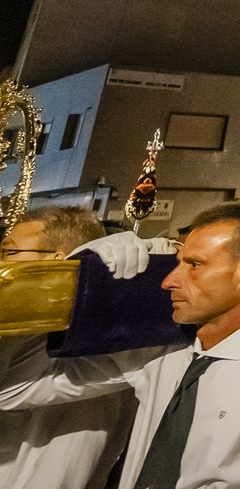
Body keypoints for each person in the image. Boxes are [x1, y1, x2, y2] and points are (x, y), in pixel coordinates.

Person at [0, 201, 240, 489]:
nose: (169, 280)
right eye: (178, 263)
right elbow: (13, 391)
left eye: (195, 265)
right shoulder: (159, 353)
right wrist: (68, 286)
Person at [0, 207, 137, 489]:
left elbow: (9, 389)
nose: (1, 263)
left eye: (8, 252)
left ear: (59, 260)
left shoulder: (101, 344)